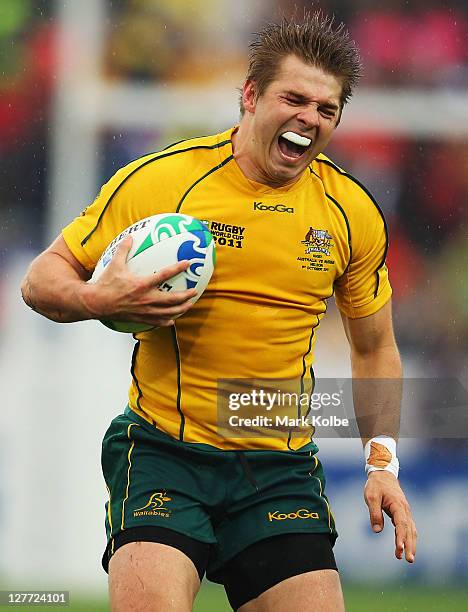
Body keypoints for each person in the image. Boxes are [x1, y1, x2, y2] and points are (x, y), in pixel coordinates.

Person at [21, 12, 417, 612]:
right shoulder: (165, 182)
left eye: (327, 109)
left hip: (278, 467)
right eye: (295, 98)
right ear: (251, 96)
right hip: (165, 453)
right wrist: (93, 300)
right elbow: (41, 279)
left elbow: (374, 348)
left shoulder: (349, 213)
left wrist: (382, 462)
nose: (310, 118)